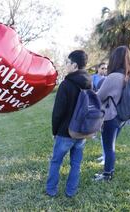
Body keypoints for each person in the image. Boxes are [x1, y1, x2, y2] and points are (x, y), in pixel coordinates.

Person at [46, 50, 91, 197]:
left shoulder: (66, 84)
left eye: (67, 62)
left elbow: (58, 112)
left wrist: (55, 131)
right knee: (76, 164)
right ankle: (71, 191)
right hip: (82, 131)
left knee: (56, 162)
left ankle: (51, 190)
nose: (66, 65)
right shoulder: (89, 82)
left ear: (75, 65)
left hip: (65, 132)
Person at [94, 46, 130, 181]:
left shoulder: (113, 77)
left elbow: (99, 97)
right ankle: (109, 171)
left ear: (114, 59)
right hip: (122, 117)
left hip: (111, 117)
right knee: (111, 145)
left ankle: (107, 175)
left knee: (108, 147)